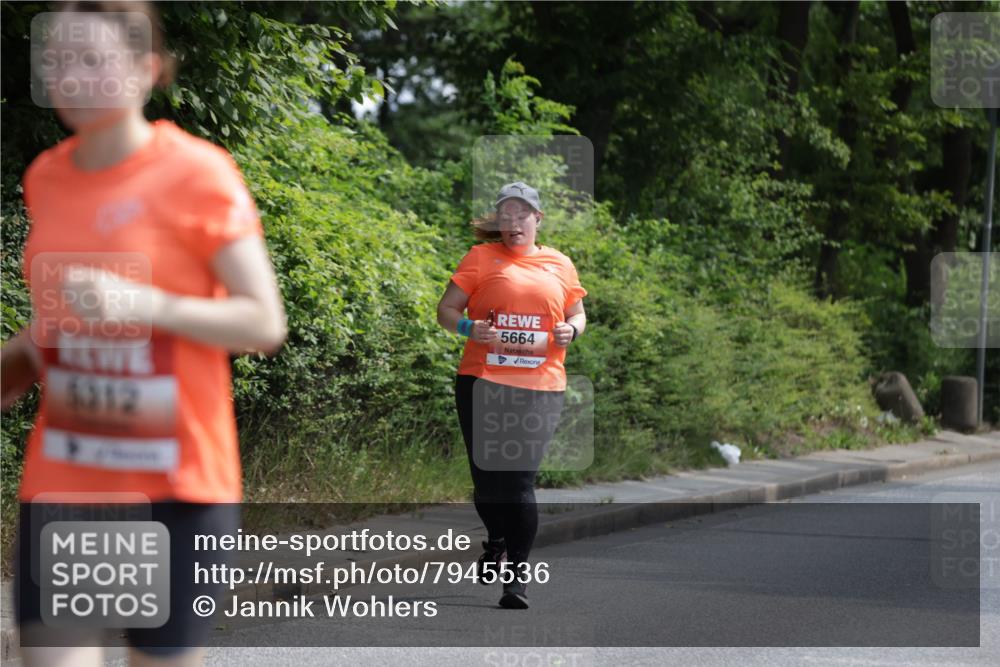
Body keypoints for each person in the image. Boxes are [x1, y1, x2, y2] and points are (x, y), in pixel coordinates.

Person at [0, 3, 286, 665]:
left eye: (92, 60)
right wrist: (24, 356)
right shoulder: (46, 178)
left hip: (177, 485)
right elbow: (68, 321)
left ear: (146, 70)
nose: (71, 77)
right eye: (59, 61)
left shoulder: (198, 174)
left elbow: (262, 322)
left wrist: (146, 303)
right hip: (68, 479)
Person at [436, 181, 587, 609]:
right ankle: (496, 538)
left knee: (520, 479)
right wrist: (469, 328)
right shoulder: (480, 258)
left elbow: (578, 314)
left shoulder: (559, 264)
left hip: (541, 385)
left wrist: (570, 330)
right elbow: (446, 310)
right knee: (487, 482)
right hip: (482, 381)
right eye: (505, 215)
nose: (513, 222)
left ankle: (517, 577)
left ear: (537, 219)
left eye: (521, 214)